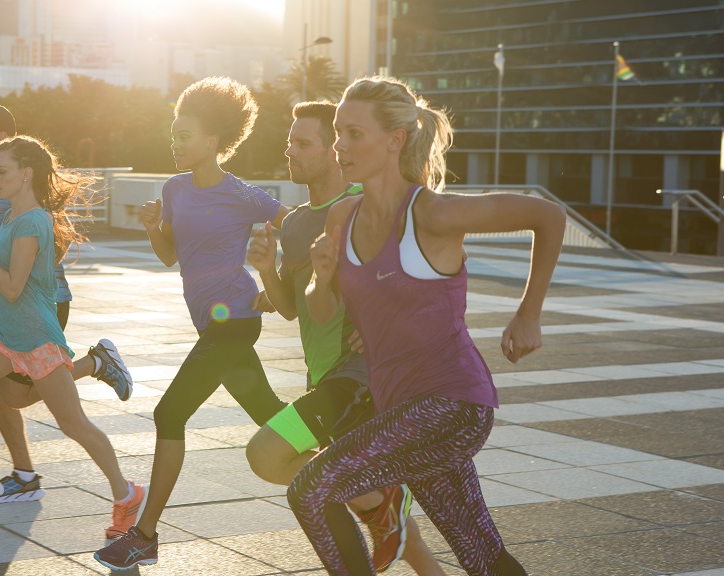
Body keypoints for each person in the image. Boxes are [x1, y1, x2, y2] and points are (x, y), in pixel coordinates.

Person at [292, 77, 565, 575]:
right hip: (401, 409)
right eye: (337, 132)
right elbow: (324, 313)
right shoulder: (342, 218)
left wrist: (528, 314)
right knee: (481, 554)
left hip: (453, 403)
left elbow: (548, 214)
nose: (340, 145)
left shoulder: (433, 215)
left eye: (355, 133)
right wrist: (323, 279)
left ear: (394, 140)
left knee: (312, 488)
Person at [94, 77, 289, 571]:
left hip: (237, 320)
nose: (175, 143)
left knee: (169, 414)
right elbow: (170, 257)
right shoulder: (174, 189)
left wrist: (278, 287)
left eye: (185, 135)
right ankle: (353, 467)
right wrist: (150, 227)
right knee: (270, 412)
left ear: (214, 142)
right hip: (211, 327)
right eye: (173, 134)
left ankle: (145, 534)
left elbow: (302, 228)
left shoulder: (244, 195)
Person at [245, 101, 443, 575]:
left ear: (335, 150)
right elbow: (293, 309)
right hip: (326, 379)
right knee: (386, 516)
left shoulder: (368, 203)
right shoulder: (293, 223)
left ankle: (378, 506)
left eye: (303, 143)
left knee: (267, 453)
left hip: (360, 379)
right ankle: (381, 504)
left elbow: (426, 275)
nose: (290, 151)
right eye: (289, 141)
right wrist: (265, 269)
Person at [0, 135, 143, 524]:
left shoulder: (32, 221)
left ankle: (126, 494)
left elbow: (13, 286)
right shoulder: (13, 216)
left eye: (2, 170)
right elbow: (13, 276)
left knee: (73, 424)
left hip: (38, 339)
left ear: (26, 174)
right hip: (4, 336)